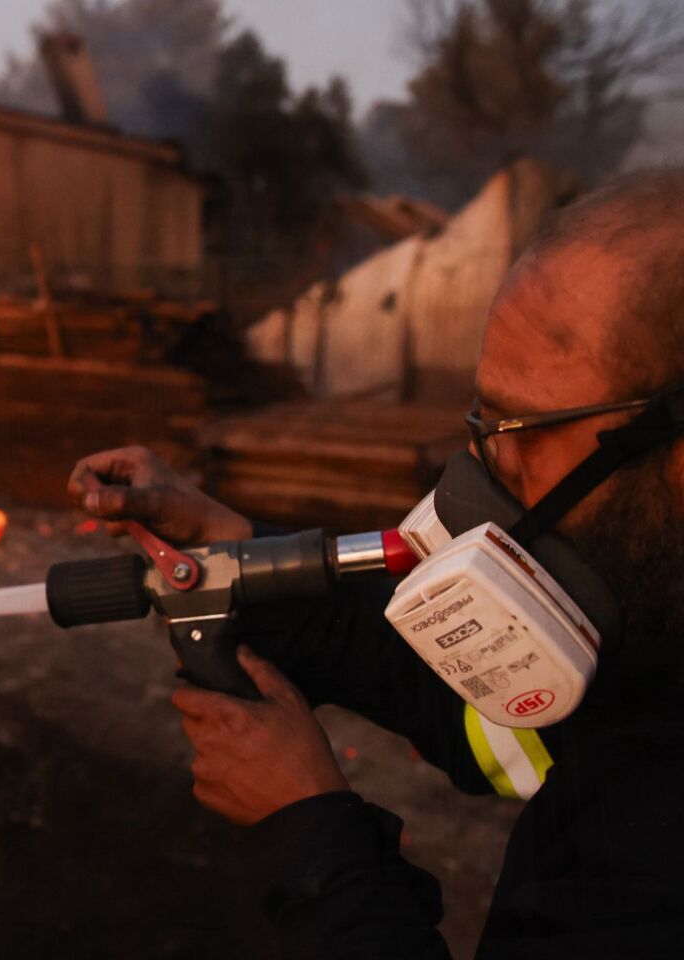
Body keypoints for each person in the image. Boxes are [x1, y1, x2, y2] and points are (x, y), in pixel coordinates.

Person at [68, 170, 684, 958]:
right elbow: (495, 715)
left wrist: (315, 840)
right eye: (483, 421)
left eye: (523, 428)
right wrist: (243, 554)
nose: (483, 463)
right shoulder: (646, 617)